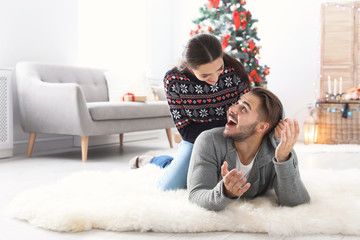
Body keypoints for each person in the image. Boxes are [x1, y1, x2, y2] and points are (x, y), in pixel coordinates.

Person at [129, 33, 251, 191]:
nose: (214, 78)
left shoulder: (235, 70)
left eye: (219, 69)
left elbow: (247, 114)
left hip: (234, 136)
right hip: (195, 141)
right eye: (205, 75)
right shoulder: (173, 80)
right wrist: (219, 132)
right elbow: (185, 129)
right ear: (189, 66)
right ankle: (156, 161)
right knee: (169, 188)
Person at [187, 87, 311, 211]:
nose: (231, 109)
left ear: (262, 127)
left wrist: (283, 159)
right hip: (194, 163)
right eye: (237, 103)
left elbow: (297, 203)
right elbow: (195, 196)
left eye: (244, 109)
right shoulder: (208, 141)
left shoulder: (278, 150)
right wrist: (225, 192)